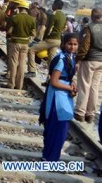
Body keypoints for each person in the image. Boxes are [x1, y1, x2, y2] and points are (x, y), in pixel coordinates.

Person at [41, 33, 78, 161]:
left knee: (60, 130)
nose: (72, 47)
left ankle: (51, 157)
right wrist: (70, 88)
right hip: (57, 98)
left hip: (64, 96)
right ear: (63, 44)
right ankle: (49, 158)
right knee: (56, 130)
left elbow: (68, 77)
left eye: (75, 44)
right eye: (70, 44)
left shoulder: (71, 58)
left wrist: (72, 84)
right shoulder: (61, 59)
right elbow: (54, 81)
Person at [74, 8, 102, 123]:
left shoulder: (89, 28)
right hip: (101, 61)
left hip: (89, 59)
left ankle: (80, 112)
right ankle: (90, 114)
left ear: (91, 16)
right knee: (95, 87)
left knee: (85, 85)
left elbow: (84, 45)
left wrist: (78, 59)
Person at [28, 0, 67, 75]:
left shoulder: (54, 14)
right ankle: (50, 79)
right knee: (51, 60)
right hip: (58, 40)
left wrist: (44, 38)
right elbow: (65, 27)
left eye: (53, 4)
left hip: (50, 39)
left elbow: (49, 28)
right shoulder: (63, 15)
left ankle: (32, 70)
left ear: (56, 5)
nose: (52, 6)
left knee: (31, 50)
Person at [6, 0, 36, 89]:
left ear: (19, 8)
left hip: (15, 42)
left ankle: (11, 83)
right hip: (25, 44)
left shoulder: (15, 18)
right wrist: (28, 40)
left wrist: (10, 36)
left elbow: (9, 31)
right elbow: (33, 34)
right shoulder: (32, 20)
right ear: (27, 9)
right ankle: (19, 85)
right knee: (22, 63)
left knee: (14, 63)